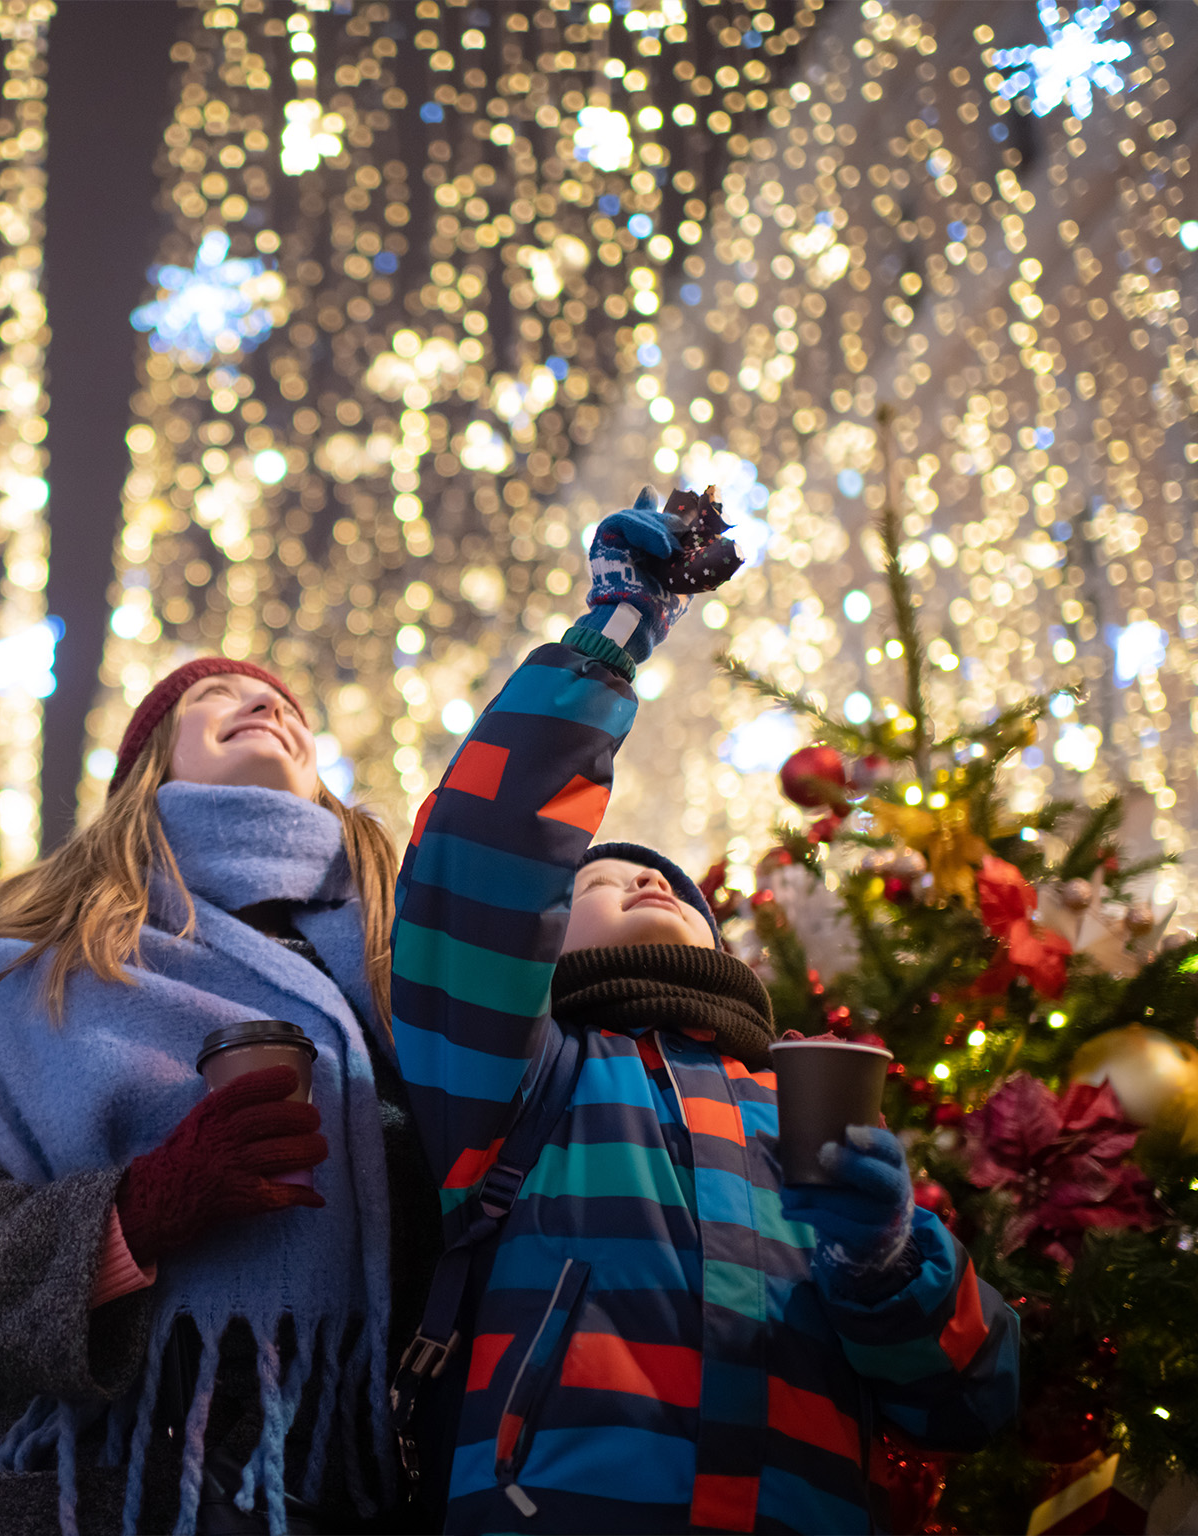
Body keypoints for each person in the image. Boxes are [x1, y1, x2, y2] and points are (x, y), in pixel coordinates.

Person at [389, 488, 1020, 1533]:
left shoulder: (792, 1113)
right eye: (599, 881)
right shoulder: (516, 1077)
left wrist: (889, 1257)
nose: (647, 882)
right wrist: (611, 636)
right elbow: (481, 853)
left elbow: (971, 1398)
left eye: (674, 887)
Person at [0, 657, 440, 1535]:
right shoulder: (47, 973)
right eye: (214, 697)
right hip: (110, 1491)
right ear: (150, 767)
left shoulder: (413, 961)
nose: (260, 703)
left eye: (286, 706)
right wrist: (133, 1216)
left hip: (380, 1486)